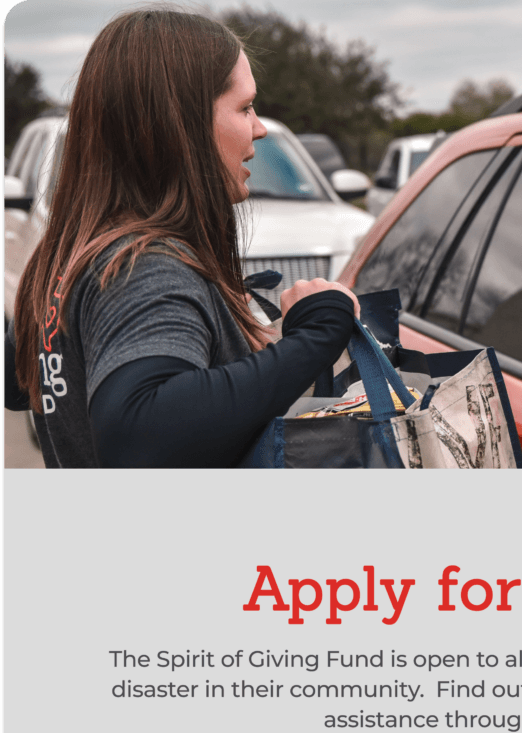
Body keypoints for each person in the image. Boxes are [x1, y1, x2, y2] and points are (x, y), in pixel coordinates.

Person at [3, 7, 359, 467]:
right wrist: (316, 335)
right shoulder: (144, 265)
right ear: (182, 125)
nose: (260, 128)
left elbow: (18, 381)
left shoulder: (73, 258)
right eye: (245, 107)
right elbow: (138, 428)